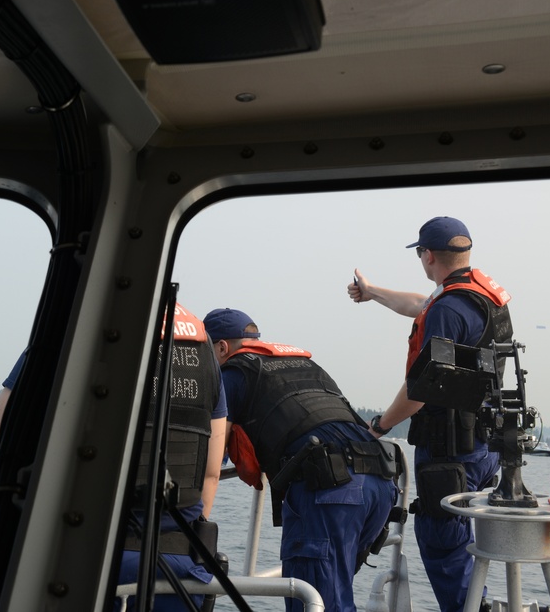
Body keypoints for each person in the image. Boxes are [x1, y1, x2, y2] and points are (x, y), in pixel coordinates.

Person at [0, 303, 228, 611]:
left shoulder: (69, 338)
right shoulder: (204, 355)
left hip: (83, 557)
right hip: (174, 561)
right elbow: (211, 472)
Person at [347, 216, 510, 612]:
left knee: (440, 536)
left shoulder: (448, 309)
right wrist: (372, 292)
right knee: (459, 534)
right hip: (486, 444)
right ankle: (480, 601)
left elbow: (422, 389)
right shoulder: (478, 296)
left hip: (450, 446)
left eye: (420, 252)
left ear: (429, 255)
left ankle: (471, 608)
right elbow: (420, 305)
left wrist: (379, 426)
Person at [203, 307, 396, 612]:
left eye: (205, 352)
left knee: (314, 603)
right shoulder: (301, 364)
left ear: (222, 347)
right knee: (334, 596)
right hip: (380, 482)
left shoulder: (232, 374)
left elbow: (213, 456)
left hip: (330, 489)